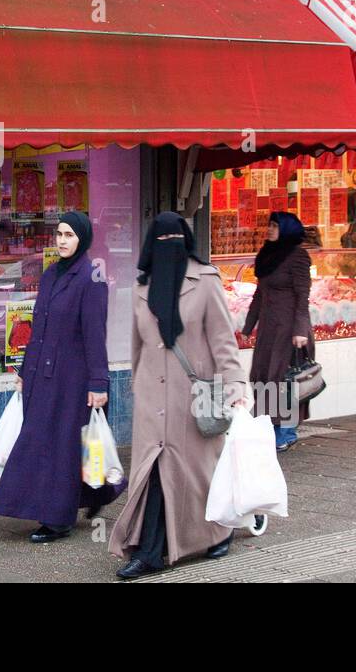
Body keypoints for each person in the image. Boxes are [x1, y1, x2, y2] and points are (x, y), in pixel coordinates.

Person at [109, 212, 249, 578]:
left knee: (195, 474)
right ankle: (149, 550)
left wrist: (235, 387)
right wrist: (135, 386)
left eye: (174, 241)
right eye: (161, 242)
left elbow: (223, 341)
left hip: (194, 396)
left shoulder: (204, 281)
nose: (168, 249)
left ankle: (217, 531)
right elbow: (138, 344)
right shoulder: (142, 288)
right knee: (153, 473)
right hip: (151, 400)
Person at [0, 211, 124, 542]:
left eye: (69, 235)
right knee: (45, 443)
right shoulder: (50, 275)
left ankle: (58, 518)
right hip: (42, 376)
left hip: (73, 380)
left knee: (60, 447)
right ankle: (98, 492)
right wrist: (24, 371)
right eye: (59, 234)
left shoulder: (90, 278)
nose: (62, 240)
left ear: (83, 239)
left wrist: (98, 383)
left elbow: (95, 334)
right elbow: (39, 331)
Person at [244, 211, 313, 453]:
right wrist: (247, 326)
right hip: (268, 328)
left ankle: (286, 431)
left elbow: (303, 295)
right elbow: (259, 293)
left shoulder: (298, 256)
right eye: (269, 225)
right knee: (263, 376)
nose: (269, 229)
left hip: (290, 330)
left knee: (284, 380)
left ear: (287, 229)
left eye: (275, 226)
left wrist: (300, 329)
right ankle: (269, 428)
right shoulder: (267, 255)